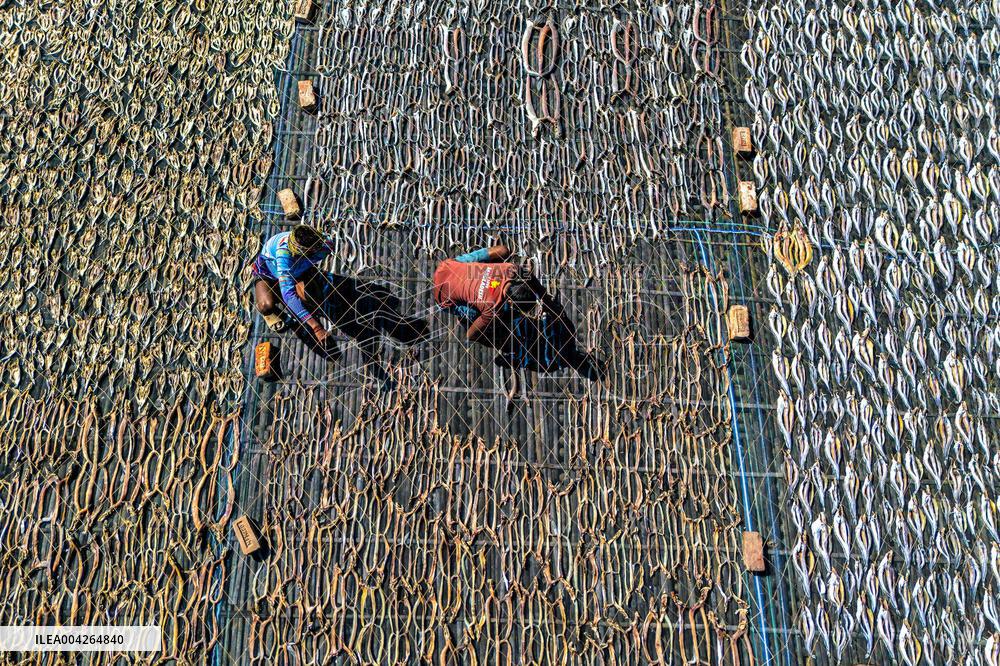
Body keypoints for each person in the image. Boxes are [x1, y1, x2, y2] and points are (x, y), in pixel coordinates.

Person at [252, 226, 428, 371]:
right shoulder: (284, 256)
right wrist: (316, 327)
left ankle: (302, 299)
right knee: (266, 304)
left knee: (313, 299)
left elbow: (327, 247)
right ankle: (273, 307)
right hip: (269, 273)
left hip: (301, 270)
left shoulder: (322, 242)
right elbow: (289, 296)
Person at [433, 244, 602, 381]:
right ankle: (469, 313)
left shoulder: (510, 269)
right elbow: (471, 336)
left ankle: (480, 278)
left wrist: (547, 301)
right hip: (442, 296)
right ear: (510, 302)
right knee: (484, 324)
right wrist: (495, 336)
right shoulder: (492, 308)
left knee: (503, 251)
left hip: (448, 266)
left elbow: (529, 277)